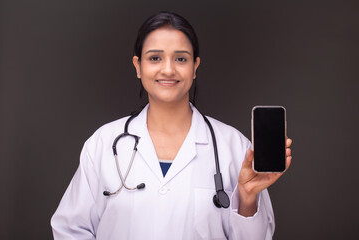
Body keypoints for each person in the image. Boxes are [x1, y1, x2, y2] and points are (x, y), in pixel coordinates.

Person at [51, 11, 293, 239]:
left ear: (195, 67)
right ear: (138, 66)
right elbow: (70, 230)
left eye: (180, 58)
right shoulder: (103, 144)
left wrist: (248, 198)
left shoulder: (235, 147)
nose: (168, 69)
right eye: (155, 58)